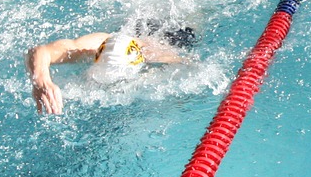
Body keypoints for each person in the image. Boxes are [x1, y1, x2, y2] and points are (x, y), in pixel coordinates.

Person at [26, 21, 196, 115]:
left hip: (179, 32)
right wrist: (41, 81)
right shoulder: (96, 44)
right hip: (139, 25)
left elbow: (192, 68)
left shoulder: (159, 55)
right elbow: (40, 51)